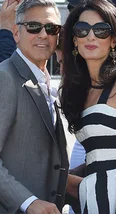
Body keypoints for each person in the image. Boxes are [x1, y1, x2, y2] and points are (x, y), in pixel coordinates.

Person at [0, 0, 69, 213]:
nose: (42, 34)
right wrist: (28, 202)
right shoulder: (5, 77)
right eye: (33, 27)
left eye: (51, 28)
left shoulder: (47, 81)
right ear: (16, 33)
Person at [59, 0, 116, 213]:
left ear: (113, 40)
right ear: (74, 40)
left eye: (101, 30)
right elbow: (97, 156)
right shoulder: (77, 91)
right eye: (82, 30)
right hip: (92, 197)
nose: (91, 36)